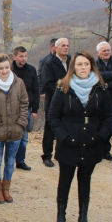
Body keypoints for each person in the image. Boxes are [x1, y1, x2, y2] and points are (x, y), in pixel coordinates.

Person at [48, 51, 111, 222]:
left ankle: (83, 216)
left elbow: (108, 116)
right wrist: (64, 136)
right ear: (73, 67)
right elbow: (53, 117)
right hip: (69, 143)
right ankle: (61, 215)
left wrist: (100, 136)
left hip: (91, 143)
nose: (83, 68)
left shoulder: (100, 88)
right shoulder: (63, 88)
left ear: (91, 66)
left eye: (86, 64)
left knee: (85, 181)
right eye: (79, 64)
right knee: (65, 180)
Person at [0, 53, 29, 204]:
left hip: (15, 131)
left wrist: (21, 123)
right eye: (1, 68)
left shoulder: (18, 83)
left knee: (10, 162)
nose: (4, 71)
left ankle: (6, 189)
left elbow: (24, 103)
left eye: (7, 67)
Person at [41, 38, 71, 167]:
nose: (66, 48)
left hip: (70, 102)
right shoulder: (49, 63)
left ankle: (64, 154)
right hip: (53, 102)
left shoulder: (71, 61)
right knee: (50, 129)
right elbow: (47, 84)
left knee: (67, 127)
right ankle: (47, 156)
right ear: (56, 47)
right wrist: (61, 94)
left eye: (67, 45)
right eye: (63, 45)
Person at [12, 46, 39, 171]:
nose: (24, 59)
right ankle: (9, 159)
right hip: (11, 108)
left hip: (26, 108)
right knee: (12, 136)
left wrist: (35, 109)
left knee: (24, 137)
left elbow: (35, 89)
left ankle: (20, 161)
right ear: (15, 56)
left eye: (25, 56)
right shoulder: (9, 69)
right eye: (21, 56)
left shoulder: (31, 70)